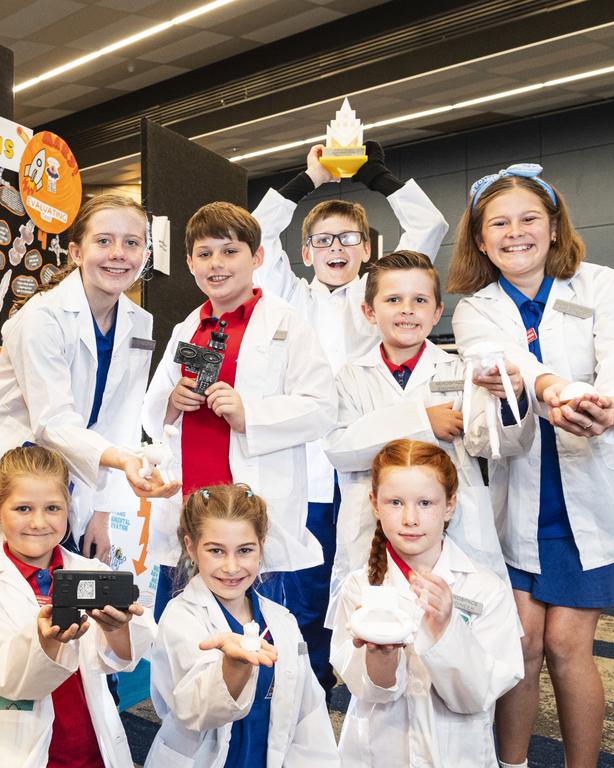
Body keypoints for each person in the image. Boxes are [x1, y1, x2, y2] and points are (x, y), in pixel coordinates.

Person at [248, 141, 448, 695]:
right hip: (310, 472)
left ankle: (384, 684)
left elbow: (428, 228)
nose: (336, 248)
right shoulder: (287, 297)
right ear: (306, 252)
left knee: (382, 582)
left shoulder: (377, 296)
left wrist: (376, 175)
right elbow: (258, 233)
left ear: (367, 249)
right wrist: (308, 179)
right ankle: (310, 689)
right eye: (322, 240)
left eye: (349, 238)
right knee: (308, 586)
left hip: (374, 466)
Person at [448, 163, 614, 768]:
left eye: (529, 220)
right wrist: (553, 387)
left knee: (570, 644)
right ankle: (512, 764)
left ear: (554, 229)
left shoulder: (602, 286)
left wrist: (610, 407)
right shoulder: (476, 309)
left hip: (591, 493)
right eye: (498, 223)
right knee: (520, 643)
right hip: (519, 494)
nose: (514, 233)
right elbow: (500, 358)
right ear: (479, 238)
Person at [0, 194, 177, 564]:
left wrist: (103, 513)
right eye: (103, 241)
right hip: (17, 483)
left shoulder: (138, 322)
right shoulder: (42, 318)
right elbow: (52, 421)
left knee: (68, 611)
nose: (118, 253)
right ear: (75, 252)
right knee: (12, 607)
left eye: (132, 243)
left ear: (145, 256)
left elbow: (120, 419)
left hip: (72, 492)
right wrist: (122, 461)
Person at [141, 201, 336, 618]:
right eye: (205, 254)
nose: (217, 264)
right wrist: (172, 402)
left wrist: (251, 414)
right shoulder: (187, 326)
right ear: (190, 262)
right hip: (190, 513)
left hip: (250, 514)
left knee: (259, 635)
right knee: (178, 635)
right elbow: (151, 413)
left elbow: (322, 408)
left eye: (230, 251)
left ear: (257, 257)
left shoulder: (288, 324)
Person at [324, 250, 524, 622]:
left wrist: (507, 395)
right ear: (369, 312)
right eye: (393, 299)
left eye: (420, 300)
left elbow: (489, 441)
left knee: (455, 631)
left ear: (436, 313)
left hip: (454, 526)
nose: (407, 310)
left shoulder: (462, 371)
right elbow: (339, 448)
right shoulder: (350, 378)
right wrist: (423, 421)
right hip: (373, 530)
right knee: (379, 640)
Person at [0, 445, 155, 767]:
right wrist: (44, 641)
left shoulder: (92, 573)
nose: (38, 522)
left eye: (52, 507)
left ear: (68, 508)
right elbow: (4, 676)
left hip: (91, 748)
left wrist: (116, 628)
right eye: (23, 508)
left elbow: (124, 657)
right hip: (25, 754)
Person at [330, 439, 523, 767]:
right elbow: (371, 692)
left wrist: (447, 629)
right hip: (378, 752)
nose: (409, 518)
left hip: (458, 754)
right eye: (395, 502)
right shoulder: (358, 587)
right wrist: (382, 654)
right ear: (375, 504)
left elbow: (475, 697)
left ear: (449, 505)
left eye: (425, 503)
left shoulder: (484, 589)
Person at [146, 484, 339, 767]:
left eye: (245, 550)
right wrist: (232, 668)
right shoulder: (180, 618)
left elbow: (307, 713)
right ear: (191, 546)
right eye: (216, 551)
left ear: (261, 545)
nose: (232, 566)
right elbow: (196, 711)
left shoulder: (281, 621)